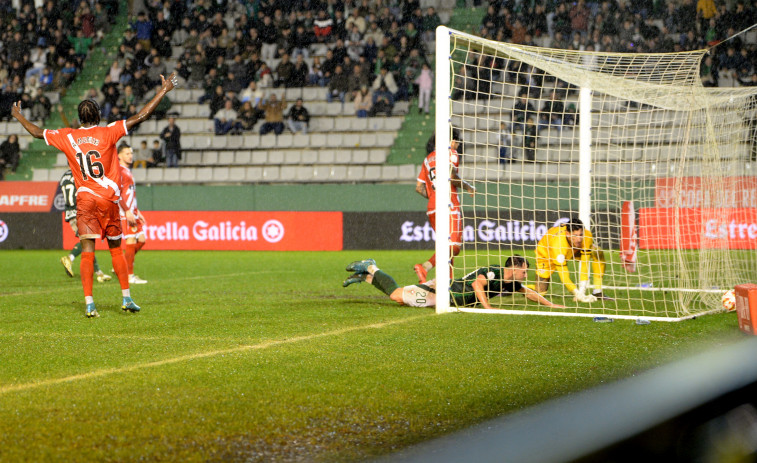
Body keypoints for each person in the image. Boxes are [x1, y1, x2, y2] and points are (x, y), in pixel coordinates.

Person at [12, 72, 178, 318]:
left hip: (85, 200)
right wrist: (163, 91)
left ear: (79, 118)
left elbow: (37, 133)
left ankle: (89, 303)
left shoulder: (68, 136)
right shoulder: (108, 132)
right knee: (115, 250)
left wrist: (18, 116)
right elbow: (141, 116)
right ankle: (126, 298)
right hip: (108, 200)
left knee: (88, 251)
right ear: (98, 116)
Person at [342, 256, 564, 310]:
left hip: (447, 299)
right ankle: (372, 267)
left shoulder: (512, 284)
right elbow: (477, 285)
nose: (526, 275)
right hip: (444, 289)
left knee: (400, 298)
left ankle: (368, 277)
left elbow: (530, 293)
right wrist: (488, 308)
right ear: (514, 269)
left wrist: (552, 305)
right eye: (524, 271)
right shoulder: (494, 273)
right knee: (396, 295)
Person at [413, 130, 476, 283]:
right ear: (451, 140)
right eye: (457, 141)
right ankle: (426, 267)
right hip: (449, 204)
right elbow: (452, 176)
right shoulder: (451, 153)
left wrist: (435, 196)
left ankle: (446, 283)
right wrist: (468, 187)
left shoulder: (427, 159)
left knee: (446, 246)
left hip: (433, 207)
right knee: (454, 247)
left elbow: (419, 187)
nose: (458, 144)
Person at [533, 217, 612, 303]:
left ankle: (597, 291)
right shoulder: (558, 245)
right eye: (575, 235)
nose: (579, 239)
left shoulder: (587, 236)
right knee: (540, 293)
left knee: (597, 252)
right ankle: (524, 287)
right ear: (568, 234)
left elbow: (585, 265)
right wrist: (577, 294)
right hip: (546, 254)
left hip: (574, 249)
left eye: (581, 235)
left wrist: (582, 292)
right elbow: (564, 276)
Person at [58, 169, 112, 283]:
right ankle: (70, 258)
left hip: (70, 212)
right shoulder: (80, 174)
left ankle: (99, 273)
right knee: (87, 241)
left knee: (87, 242)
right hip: (80, 210)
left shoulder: (64, 176)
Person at [117, 143, 148, 284]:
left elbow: (130, 194)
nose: (130, 156)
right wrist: (127, 211)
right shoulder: (120, 171)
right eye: (127, 153)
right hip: (125, 212)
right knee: (131, 241)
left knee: (141, 239)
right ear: (119, 155)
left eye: (131, 153)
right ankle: (129, 276)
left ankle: (122, 264)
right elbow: (117, 193)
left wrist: (137, 211)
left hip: (133, 212)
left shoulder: (127, 171)